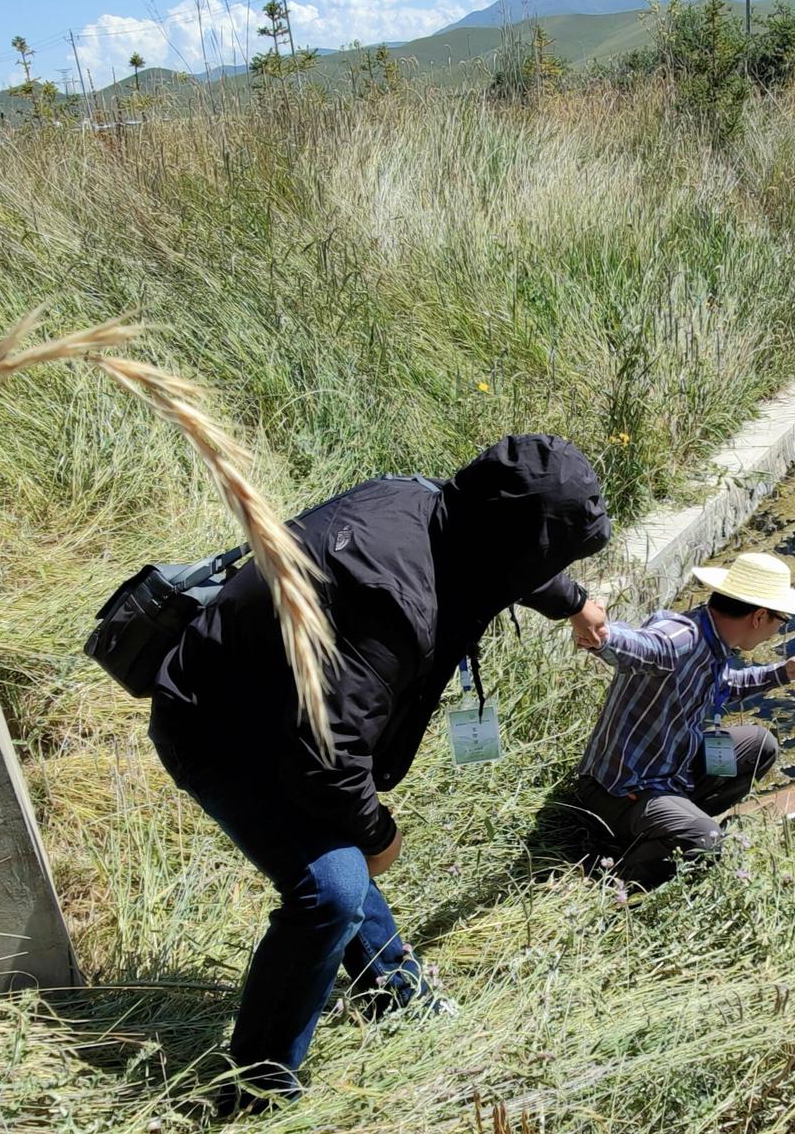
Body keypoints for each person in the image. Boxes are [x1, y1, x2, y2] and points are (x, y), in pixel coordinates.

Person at [146, 435, 612, 1106]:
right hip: (218, 724)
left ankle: (393, 991)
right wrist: (377, 832)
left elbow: (508, 552)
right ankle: (257, 1087)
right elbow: (326, 762)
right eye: (556, 554)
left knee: (340, 855)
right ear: (520, 542)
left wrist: (574, 600)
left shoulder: (432, 504)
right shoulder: (393, 602)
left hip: (274, 704)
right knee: (332, 887)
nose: (551, 565)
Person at [573, 551, 795, 887]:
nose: (778, 630)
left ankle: (672, 826)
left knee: (759, 745)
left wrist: (783, 673)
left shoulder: (714, 639)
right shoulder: (682, 637)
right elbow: (644, 647)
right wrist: (600, 636)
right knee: (706, 839)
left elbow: (722, 686)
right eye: (782, 620)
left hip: (670, 768)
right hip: (619, 791)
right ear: (759, 616)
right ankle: (616, 884)